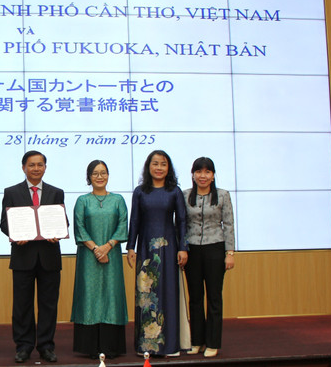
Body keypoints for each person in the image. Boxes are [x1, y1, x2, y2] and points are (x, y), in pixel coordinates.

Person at [0, 150, 66, 363]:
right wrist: (15, 234)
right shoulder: (11, 192)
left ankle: (46, 346)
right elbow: (4, 223)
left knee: (49, 305)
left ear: (45, 167)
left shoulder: (56, 192)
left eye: (40, 165)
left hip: (49, 257)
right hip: (23, 257)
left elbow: (62, 221)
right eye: (32, 165)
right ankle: (24, 346)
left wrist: (59, 232)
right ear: (24, 168)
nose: (36, 168)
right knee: (22, 305)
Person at [126, 149, 188, 357]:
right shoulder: (140, 192)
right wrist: (131, 247)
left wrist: (183, 247)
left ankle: (169, 346)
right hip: (145, 249)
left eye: (163, 164)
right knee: (146, 295)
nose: (159, 168)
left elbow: (182, 221)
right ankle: (146, 345)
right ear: (148, 166)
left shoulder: (174, 191)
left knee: (168, 293)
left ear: (168, 168)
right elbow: (135, 220)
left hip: (169, 249)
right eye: (155, 163)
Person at [70, 160, 128, 359]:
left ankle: (112, 346)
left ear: (108, 175)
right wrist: (96, 249)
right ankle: (90, 347)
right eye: (95, 173)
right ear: (89, 177)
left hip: (112, 255)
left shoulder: (118, 200)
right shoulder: (82, 201)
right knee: (89, 295)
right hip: (89, 257)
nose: (100, 177)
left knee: (112, 294)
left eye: (103, 173)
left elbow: (122, 225)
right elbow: (79, 227)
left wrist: (107, 247)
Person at [183, 157, 235, 358]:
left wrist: (229, 253)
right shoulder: (185, 195)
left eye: (207, 172)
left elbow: (228, 224)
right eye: (198, 171)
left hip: (215, 249)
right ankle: (197, 341)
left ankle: (213, 342)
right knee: (195, 297)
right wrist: (182, 248)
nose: (202, 176)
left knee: (214, 297)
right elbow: (181, 224)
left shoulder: (222, 195)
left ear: (213, 175)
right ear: (193, 174)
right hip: (192, 250)